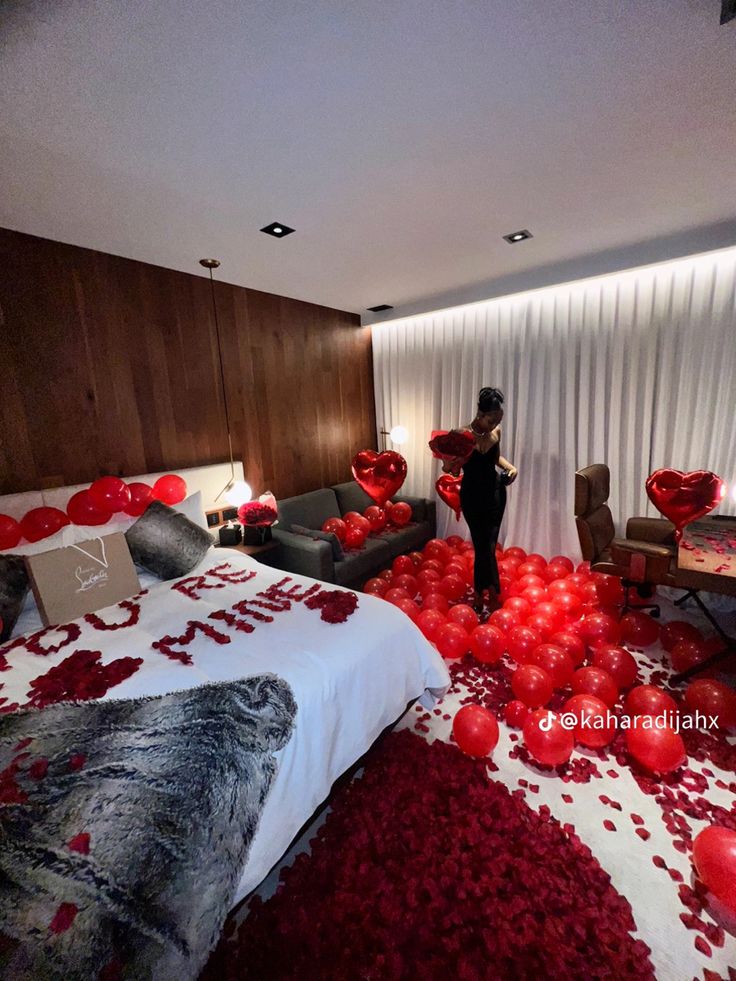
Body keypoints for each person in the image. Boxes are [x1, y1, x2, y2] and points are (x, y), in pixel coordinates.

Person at [442, 387, 517, 614]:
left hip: (495, 493)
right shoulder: (460, 434)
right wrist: (453, 461)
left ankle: (484, 593)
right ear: (481, 415)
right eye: (492, 419)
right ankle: (487, 591)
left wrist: (510, 468)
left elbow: (495, 459)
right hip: (472, 496)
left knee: (489, 546)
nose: (495, 424)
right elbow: (451, 471)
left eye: (499, 419)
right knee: (481, 545)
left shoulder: (496, 433)